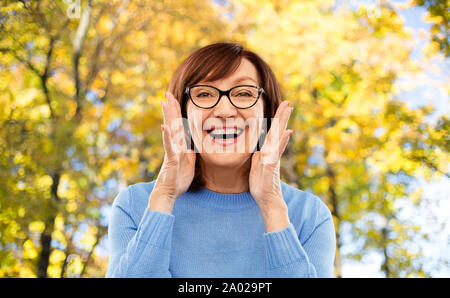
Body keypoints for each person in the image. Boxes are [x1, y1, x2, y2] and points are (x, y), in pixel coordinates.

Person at [105, 42, 336, 278]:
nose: (224, 110)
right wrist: (164, 197)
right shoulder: (135, 205)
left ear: (268, 113)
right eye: (204, 94)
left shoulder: (309, 215)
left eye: (244, 93)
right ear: (182, 114)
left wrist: (271, 207)